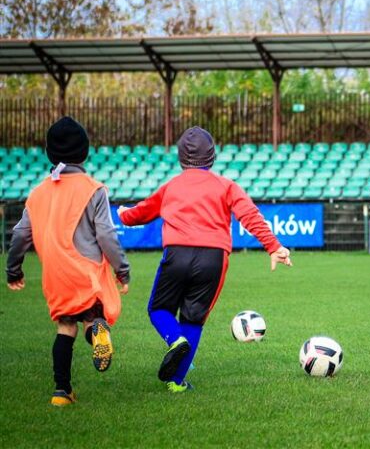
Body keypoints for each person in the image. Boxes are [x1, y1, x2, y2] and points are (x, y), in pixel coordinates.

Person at [118, 126, 292, 393]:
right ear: (212, 157)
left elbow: (140, 213)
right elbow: (250, 215)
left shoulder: (171, 186)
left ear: (180, 158)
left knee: (159, 310)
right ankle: (176, 382)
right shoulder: (226, 185)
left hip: (177, 253)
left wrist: (122, 214)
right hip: (214, 258)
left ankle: (175, 340)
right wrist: (273, 247)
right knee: (193, 318)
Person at [5, 116, 131, 406]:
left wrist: (14, 270)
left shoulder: (37, 193)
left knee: (65, 327)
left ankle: (61, 392)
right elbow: (106, 235)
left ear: (49, 152)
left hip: (56, 274)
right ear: (84, 152)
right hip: (87, 272)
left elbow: (20, 234)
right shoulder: (93, 189)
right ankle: (97, 334)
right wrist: (122, 270)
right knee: (91, 320)